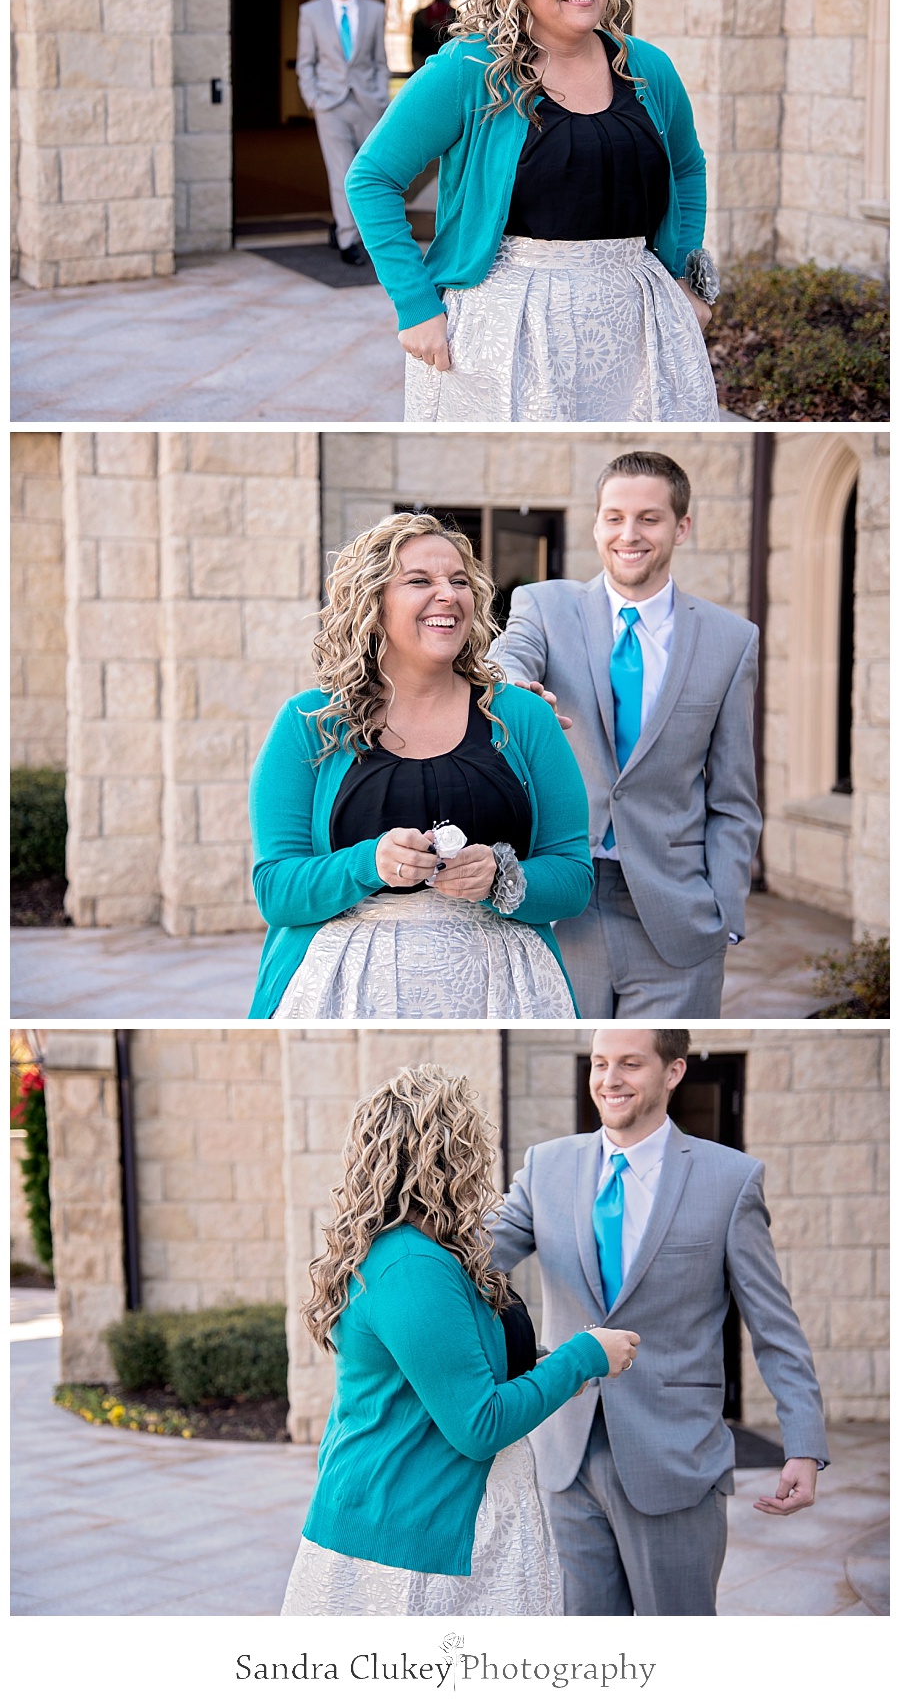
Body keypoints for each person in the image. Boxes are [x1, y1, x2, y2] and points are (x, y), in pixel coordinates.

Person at [490, 1028, 828, 1618]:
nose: (609, 1080)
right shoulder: (546, 1167)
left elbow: (774, 1326)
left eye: (629, 1064)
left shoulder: (731, 1179)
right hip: (564, 1454)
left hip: (675, 1456)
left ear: (673, 1072)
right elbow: (474, 1258)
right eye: (599, 1063)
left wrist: (803, 1443)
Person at [347, 0, 720, 423]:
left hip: (639, 322)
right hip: (507, 324)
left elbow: (687, 166)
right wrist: (416, 306)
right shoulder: (470, 69)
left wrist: (686, 278)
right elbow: (372, 178)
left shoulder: (646, 66)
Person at [282, 1064, 639, 1615]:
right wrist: (584, 1358)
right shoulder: (410, 1265)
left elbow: (459, 1371)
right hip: (407, 1535)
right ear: (447, 1155)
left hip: (435, 1516)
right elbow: (478, 1425)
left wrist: (544, 1368)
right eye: (472, 1145)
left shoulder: (433, 1253)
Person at [247, 513, 592, 1020]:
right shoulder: (309, 722)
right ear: (373, 603)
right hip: (343, 996)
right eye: (419, 581)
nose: (448, 594)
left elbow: (573, 876)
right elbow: (276, 890)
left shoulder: (523, 716)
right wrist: (369, 863)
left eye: (459, 581)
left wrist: (503, 876)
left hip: (504, 995)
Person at [491, 451, 761, 1017]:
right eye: (613, 517)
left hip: (676, 917)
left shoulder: (732, 641)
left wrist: (725, 915)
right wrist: (513, 689)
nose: (628, 534)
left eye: (649, 518)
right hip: (564, 902)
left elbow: (734, 797)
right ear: (595, 525)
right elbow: (509, 657)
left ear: (681, 527)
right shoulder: (542, 605)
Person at [297, 0, 389, 268]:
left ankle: (370, 236)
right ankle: (348, 239)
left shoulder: (375, 11)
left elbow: (380, 61)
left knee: (369, 173)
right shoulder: (311, 12)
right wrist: (314, 99)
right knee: (341, 173)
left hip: (367, 104)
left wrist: (380, 97)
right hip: (330, 104)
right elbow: (305, 62)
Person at [411, 0, 456, 67]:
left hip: (429, 71)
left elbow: (416, 55)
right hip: (440, 72)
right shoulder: (458, 17)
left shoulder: (420, 16)